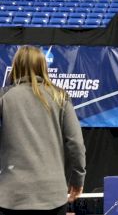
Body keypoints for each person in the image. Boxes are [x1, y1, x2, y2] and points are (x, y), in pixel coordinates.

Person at [0, 46, 86, 215]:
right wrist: (77, 180)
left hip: (11, 197)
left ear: (15, 66)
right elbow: (76, 144)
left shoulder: (4, 97)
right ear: (43, 66)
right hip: (52, 196)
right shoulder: (60, 97)